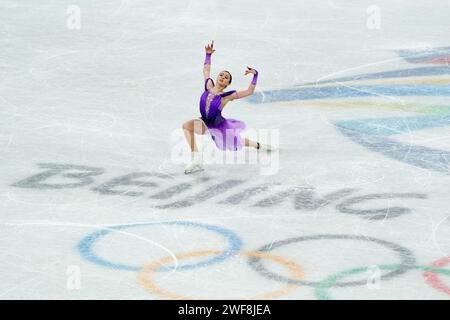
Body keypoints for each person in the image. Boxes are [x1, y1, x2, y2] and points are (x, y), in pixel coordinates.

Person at [182, 41, 274, 174]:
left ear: (227, 84)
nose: (223, 77)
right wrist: (208, 55)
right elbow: (206, 70)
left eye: (226, 78)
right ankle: (197, 159)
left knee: (238, 142)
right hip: (205, 122)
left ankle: (259, 145)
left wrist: (255, 75)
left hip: (218, 126)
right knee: (187, 126)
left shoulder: (226, 96)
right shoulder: (208, 85)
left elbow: (249, 92)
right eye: (221, 75)